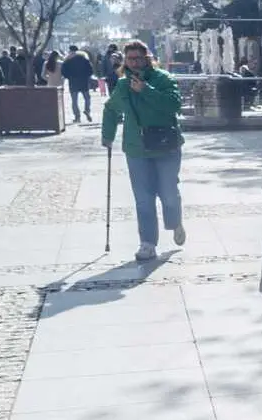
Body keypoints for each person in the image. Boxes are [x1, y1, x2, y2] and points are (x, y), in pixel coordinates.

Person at [101, 40, 188, 262]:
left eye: (139, 58)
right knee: (143, 198)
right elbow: (111, 109)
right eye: (130, 59)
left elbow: (174, 105)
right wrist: (107, 136)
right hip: (137, 148)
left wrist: (146, 90)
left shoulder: (163, 79)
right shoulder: (122, 85)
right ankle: (147, 243)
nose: (135, 63)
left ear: (147, 58)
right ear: (125, 61)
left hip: (166, 146)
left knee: (168, 193)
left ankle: (175, 221)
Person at [62, 45, 93, 122]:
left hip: (73, 82)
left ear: (70, 51)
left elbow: (63, 72)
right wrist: (86, 76)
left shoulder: (67, 60)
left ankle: (77, 117)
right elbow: (90, 70)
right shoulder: (84, 59)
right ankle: (87, 110)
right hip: (83, 82)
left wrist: (69, 77)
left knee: (74, 101)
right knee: (87, 98)